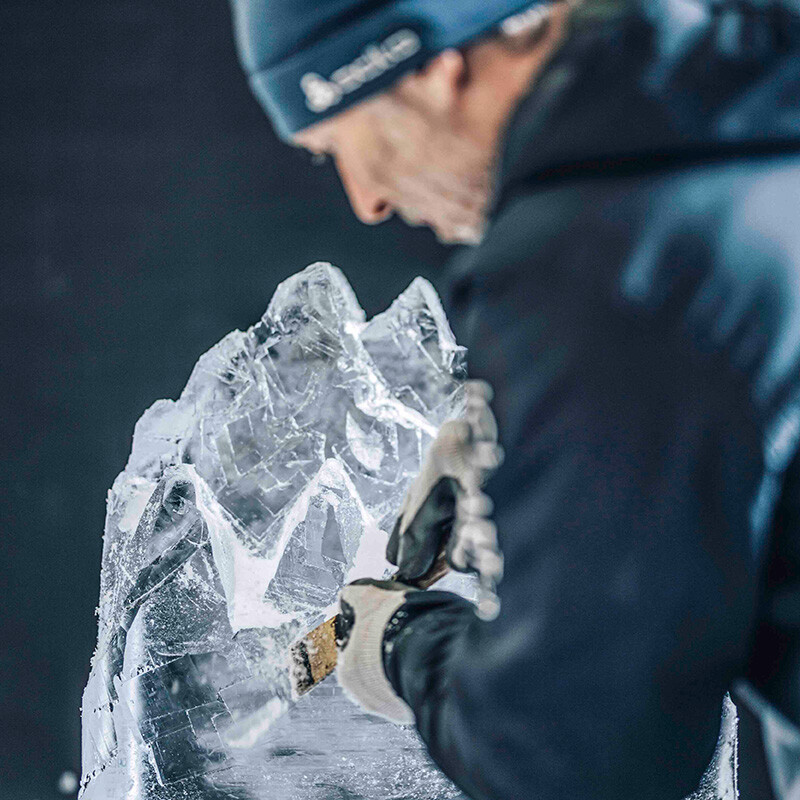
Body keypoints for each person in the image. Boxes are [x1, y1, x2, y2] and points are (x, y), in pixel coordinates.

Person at [229, 0, 800, 797]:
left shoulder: (600, 256)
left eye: (340, 147)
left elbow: (571, 760)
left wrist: (401, 648)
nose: (369, 200)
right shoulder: (751, 137)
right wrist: (572, 439)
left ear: (429, 69)